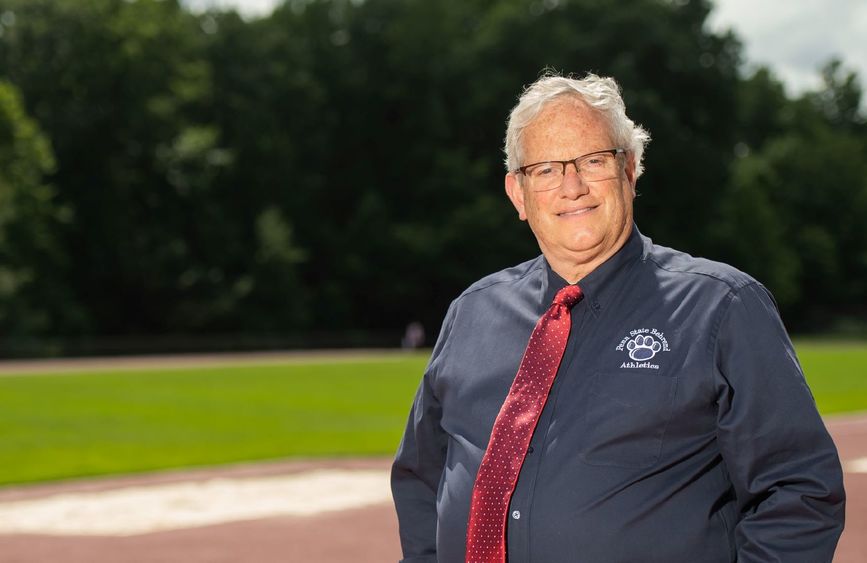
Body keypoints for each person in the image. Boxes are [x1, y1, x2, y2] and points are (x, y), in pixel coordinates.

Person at [391, 72, 845, 563]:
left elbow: (799, 490)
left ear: (630, 170)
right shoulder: (473, 312)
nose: (572, 186)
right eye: (545, 169)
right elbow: (422, 474)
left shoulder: (722, 307)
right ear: (518, 194)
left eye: (593, 160)